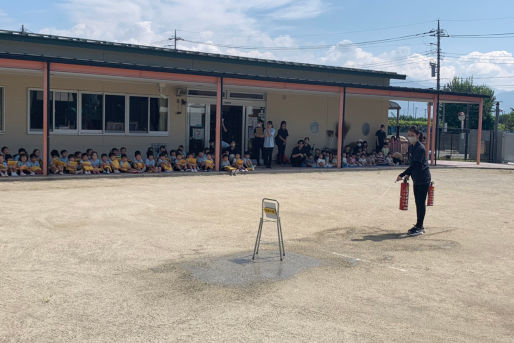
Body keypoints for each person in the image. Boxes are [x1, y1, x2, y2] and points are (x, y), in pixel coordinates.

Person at [396, 126, 432, 237]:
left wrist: (402, 174)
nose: (410, 137)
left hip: (423, 178)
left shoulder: (420, 148)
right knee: (418, 202)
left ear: (418, 135)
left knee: (421, 203)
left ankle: (420, 226)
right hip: (416, 178)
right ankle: (418, 225)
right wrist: (408, 175)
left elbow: (416, 165)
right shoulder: (411, 147)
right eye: (409, 135)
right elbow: (412, 165)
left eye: (412, 135)